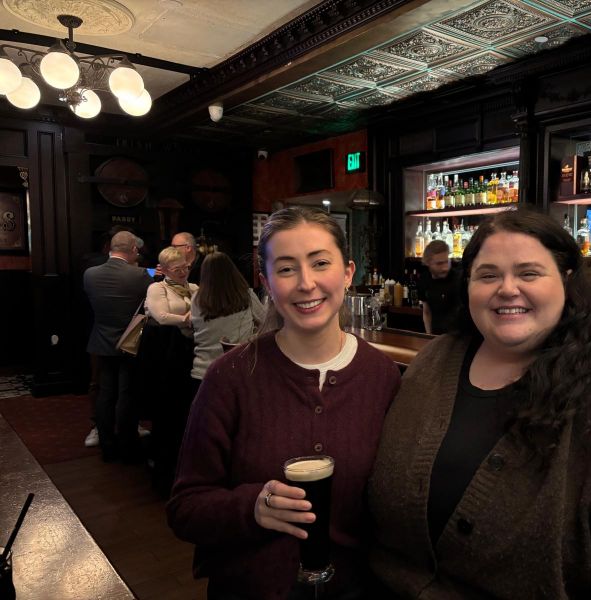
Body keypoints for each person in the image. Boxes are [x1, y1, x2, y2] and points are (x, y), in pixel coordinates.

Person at [368, 210, 591, 598]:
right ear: (468, 285)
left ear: (567, 282)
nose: (507, 289)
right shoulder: (432, 363)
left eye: (529, 273)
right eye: (488, 275)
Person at [167, 206, 401, 600]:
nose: (306, 283)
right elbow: (185, 508)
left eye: (320, 263)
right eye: (287, 268)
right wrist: (251, 508)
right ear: (267, 282)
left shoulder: (383, 376)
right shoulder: (230, 376)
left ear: (347, 273)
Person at [83, 231, 152, 462]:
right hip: (130, 343)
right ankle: (127, 445)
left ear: (111, 249)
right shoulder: (140, 275)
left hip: (101, 341)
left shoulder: (90, 275)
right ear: (134, 250)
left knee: (105, 394)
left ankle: (107, 445)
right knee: (126, 395)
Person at [143, 246, 198, 494]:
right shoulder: (157, 288)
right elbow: (162, 316)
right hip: (164, 354)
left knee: (187, 405)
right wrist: (187, 319)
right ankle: (162, 461)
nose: (183, 273)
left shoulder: (195, 288)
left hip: (188, 352)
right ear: (164, 270)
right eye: (177, 270)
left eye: (186, 267)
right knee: (167, 406)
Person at [190, 251, 266, 386]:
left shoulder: (196, 298)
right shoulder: (245, 294)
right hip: (239, 371)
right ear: (232, 271)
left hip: (202, 373)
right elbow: (265, 321)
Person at [418, 239, 460, 334]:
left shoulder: (458, 279)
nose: (445, 267)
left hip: (458, 338)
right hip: (436, 336)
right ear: (428, 263)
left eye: (446, 262)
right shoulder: (424, 280)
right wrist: (429, 336)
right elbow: (426, 312)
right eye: (439, 263)